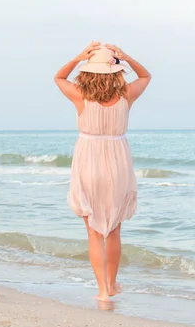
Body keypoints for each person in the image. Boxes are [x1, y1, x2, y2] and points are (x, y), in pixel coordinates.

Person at [53, 42, 151, 302]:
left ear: (88, 71)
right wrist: (126, 57)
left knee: (94, 233)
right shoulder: (126, 96)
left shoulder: (79, 96)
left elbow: (58, 77)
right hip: (118, 163)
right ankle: (112, 283)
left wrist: (78, 56)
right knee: (114, 231)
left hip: (88, 162)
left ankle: (103, 292)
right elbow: (146, 76)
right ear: (115, 71)